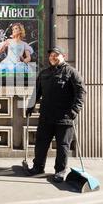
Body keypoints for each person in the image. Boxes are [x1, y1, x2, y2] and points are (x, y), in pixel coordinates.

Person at [25, 46, 86, 183]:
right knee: (41, 143)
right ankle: (38, 167)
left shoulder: (72, 72)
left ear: (63, 56)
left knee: (63, 145)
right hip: (46, 116)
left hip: (64, 117)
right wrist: (31, 106)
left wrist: (75, 109)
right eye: (51, 55)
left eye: (56, 55)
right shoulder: (44, 73)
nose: (53, 57)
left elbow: (81, 92)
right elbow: (37, 92)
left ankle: (60, 171)